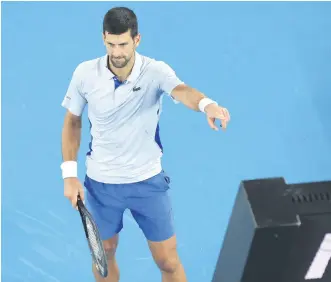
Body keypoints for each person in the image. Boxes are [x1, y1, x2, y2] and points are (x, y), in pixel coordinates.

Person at [60, 6, 230, 282]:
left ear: (137, 40)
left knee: (168, 262)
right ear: (103, 38)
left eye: (123, 44)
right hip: (101, 185)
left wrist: (206, 105)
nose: (116, 52)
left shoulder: (155, 71)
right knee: (104, 253)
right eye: (111, 43)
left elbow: (182, 91)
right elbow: (72, 122)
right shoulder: (84, 74)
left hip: (147, 182)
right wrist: (69, 175)